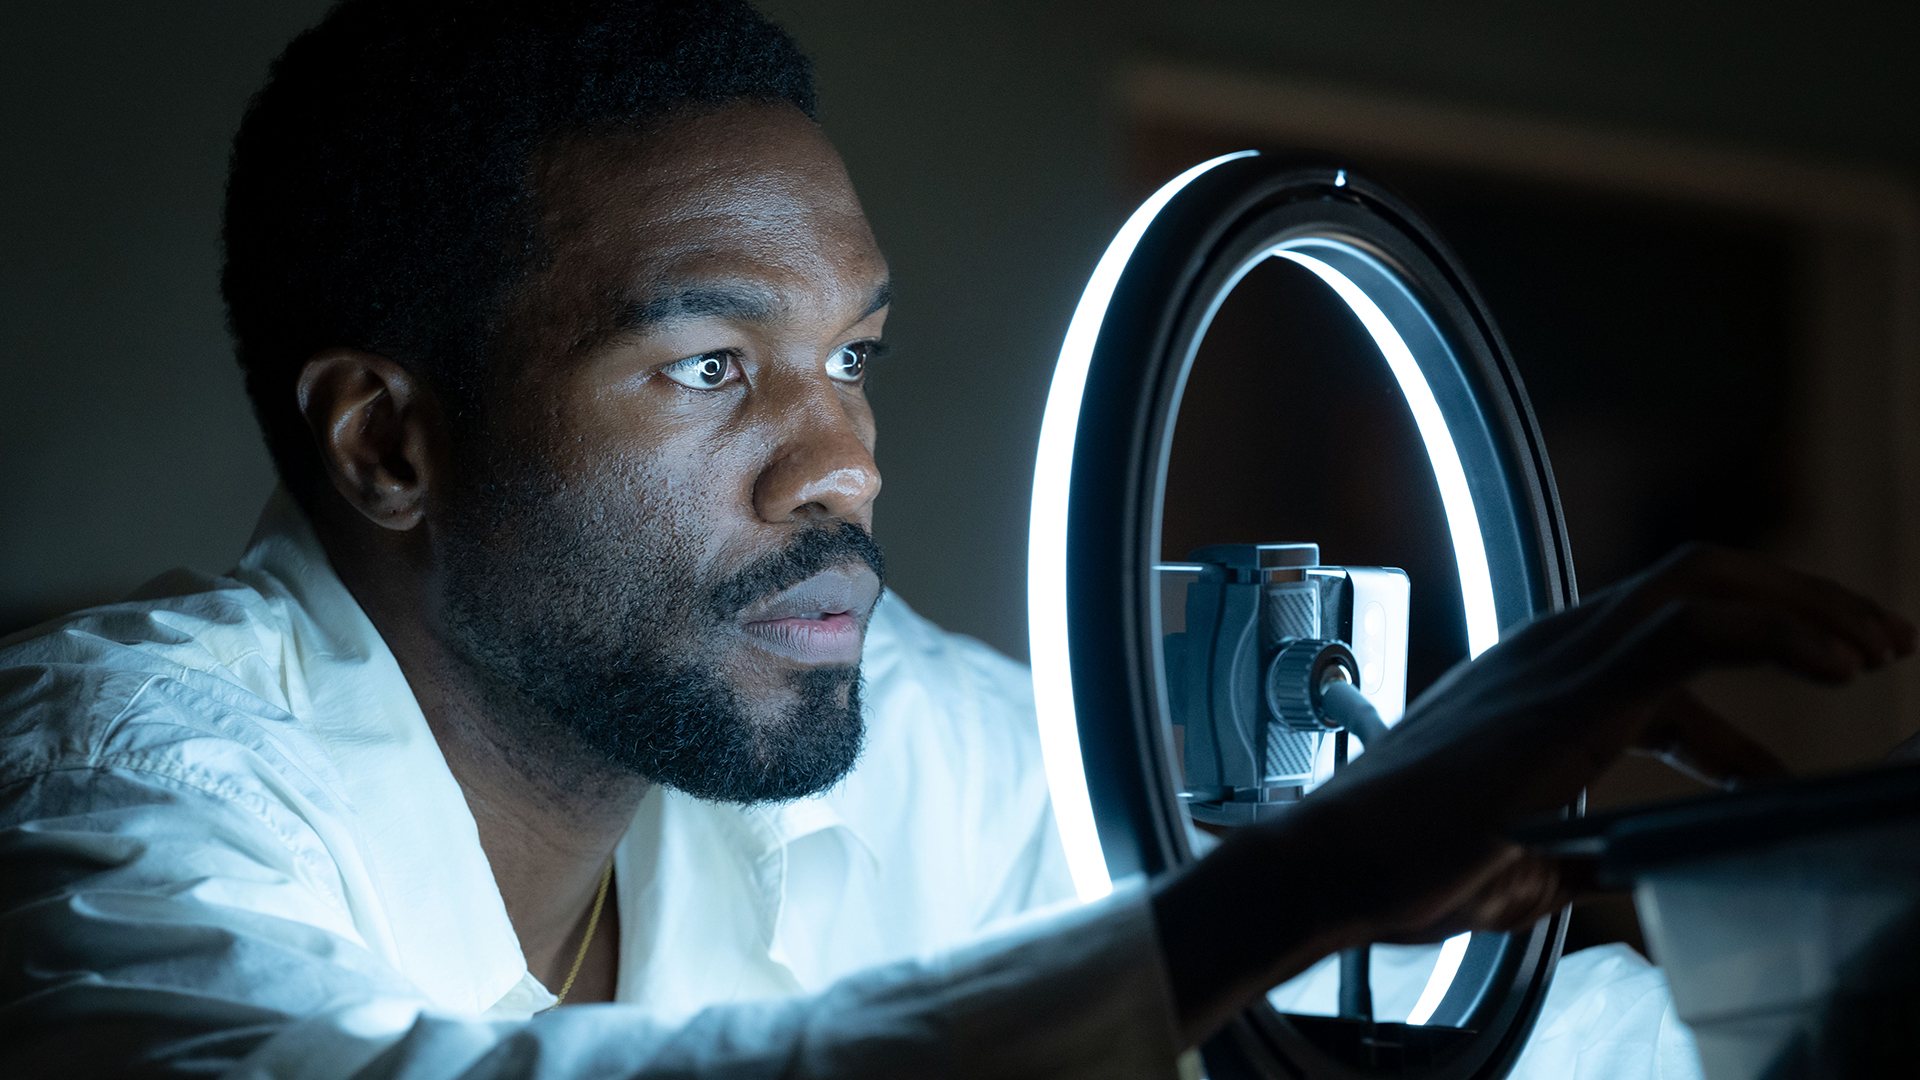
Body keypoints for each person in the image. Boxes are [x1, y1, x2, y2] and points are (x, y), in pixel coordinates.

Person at [0, 1, 1909, 1077]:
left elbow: (1503, 1032)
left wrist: (1834, 949)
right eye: (708, 372)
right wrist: (1281, 888)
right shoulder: (97, 791)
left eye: (854, 357)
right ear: (390, 439)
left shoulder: (889, 735)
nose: (844, 463)